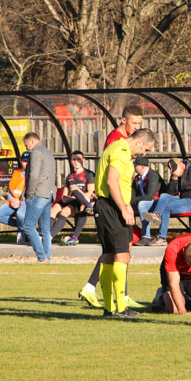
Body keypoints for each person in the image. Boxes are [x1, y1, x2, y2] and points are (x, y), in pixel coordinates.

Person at [78, 105, 145, 308]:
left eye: (140, 124)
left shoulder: (124, 144)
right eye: (134, 123)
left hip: (114, 202)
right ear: (123, 120)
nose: (136, 127)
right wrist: (124, 206)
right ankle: (118, 300)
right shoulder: (118, 142)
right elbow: (112, 178)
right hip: (113, 203)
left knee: (118, 250)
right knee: (120, 251)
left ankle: (104, 295)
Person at [94, 128, 156, 318]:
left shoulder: (115, 146)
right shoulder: (121, 152)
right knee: (122, 255)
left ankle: (109, 309)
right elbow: (113, 182)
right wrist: (122, 208)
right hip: (112, 207)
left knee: (109, 255)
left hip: (106, 206)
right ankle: (121, 308)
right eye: (146, 149)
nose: (144, 154)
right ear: (138, 143)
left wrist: (126, 205)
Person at [140, 157, 191, 246]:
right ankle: (156, 214)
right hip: (182, 198)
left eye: (175, 170)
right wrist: (174, 178)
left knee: (167, 207)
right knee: (164, 196)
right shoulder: (176, 174)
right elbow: (170, 193)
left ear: (181, 165)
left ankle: (162, 237)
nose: (173, 172)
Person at [22, 132, 57, 263]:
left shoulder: (36, 152)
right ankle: (46, 257)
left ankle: (42, 257)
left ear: (31, 141)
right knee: (45, 230)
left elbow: (34, 175)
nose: (27, 148)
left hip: (39, 193)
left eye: (26, 145)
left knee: (28, 226)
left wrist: (29, 193)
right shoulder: (48, 152)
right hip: (49, 193)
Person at [50, 150, 95, 246]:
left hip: (84, 201)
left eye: (78, 159)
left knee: (74, 192)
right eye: (74, 159)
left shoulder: (89, 174)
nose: (76, 161)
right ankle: (47, 236)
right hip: (72, 201)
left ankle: (74, 237)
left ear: (83, 160)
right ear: (71, 161)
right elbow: (64, 195)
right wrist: (70, 197)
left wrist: (77, 194)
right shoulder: (70, 176)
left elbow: (90, 193)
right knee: (54, 209)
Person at [0, 151, 30, 243]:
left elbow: (30, 192)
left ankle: (22, 232)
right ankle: (22, 227)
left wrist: (19, 201)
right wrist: (12, 200)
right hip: (13, 201)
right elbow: (10, 190)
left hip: (25, 201)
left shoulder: (33, 174)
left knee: (20, 215)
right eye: (24, 161)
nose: (26, 163)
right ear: (20, 161)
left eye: (28, 161)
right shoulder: (16, 173)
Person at [130, 156, 162, 244]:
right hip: (143, 202)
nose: (134, 168)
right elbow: (132, 196)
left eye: (135, 166)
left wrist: (134, 201)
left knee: (142, 204)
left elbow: (150, 196)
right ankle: (129, 233)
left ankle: (146, 236)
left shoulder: (153, 175)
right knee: (124, 206)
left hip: (158, 203)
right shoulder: (137, 178)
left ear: (142, 167)